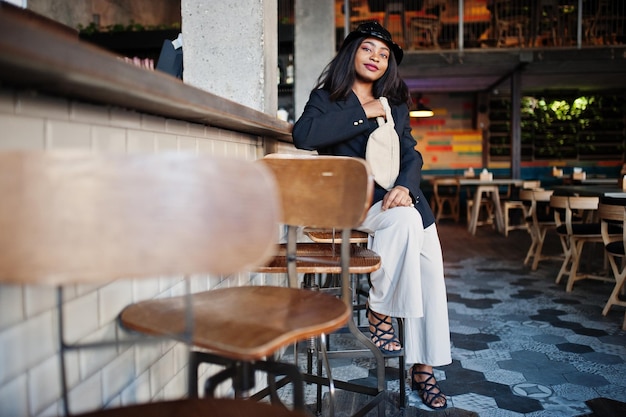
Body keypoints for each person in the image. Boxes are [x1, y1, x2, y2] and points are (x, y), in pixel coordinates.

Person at [291, 21, 451, 410]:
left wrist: (406, 188)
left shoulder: (396, 104)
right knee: (404, 223)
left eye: (383, 55)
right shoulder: (326, 97)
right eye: (368, 49)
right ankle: (380, 311)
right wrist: (365, 111)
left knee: (428, 271)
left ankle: (423, 366)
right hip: (354, 205)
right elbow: (304, 135)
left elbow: (411, 154)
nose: (376, 58)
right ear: (351, 54)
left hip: (399, 202)